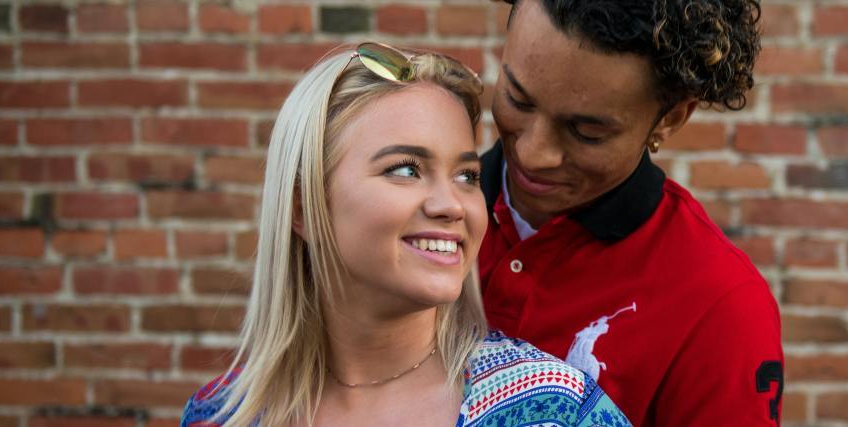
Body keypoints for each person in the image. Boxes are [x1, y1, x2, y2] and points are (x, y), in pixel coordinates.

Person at [179, 42, 630, 427]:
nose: (451, 205)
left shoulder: (552, 409)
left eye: (467, 176)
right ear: (304, 208)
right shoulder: (219, 414)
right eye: (406, 170)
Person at [477, 0, 783, 425]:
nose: (532, 153)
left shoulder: (720, 305)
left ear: (671, 118)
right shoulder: (402, 216)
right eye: (517, 99)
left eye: (587, 132)